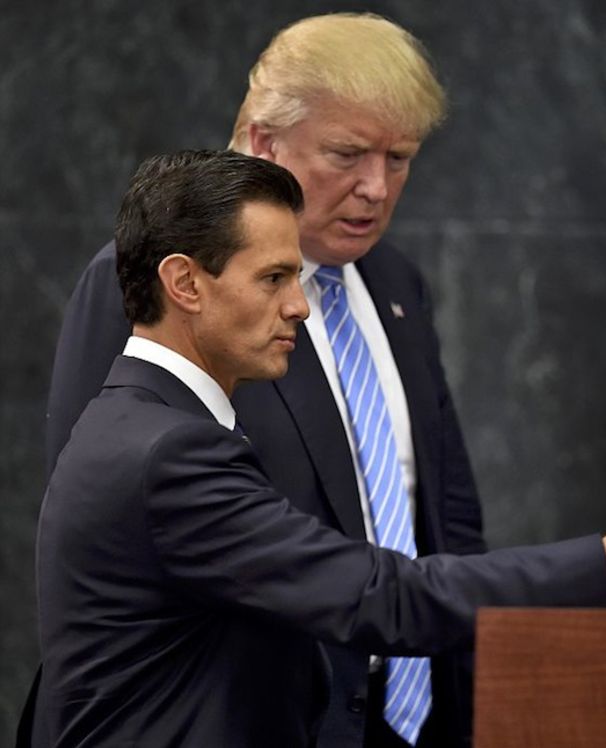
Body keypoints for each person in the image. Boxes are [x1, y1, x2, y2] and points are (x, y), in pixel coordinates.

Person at [35, 149, 606, 747]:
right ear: (184, 284)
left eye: (296, 276)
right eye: (273, 278)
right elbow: (382, 598)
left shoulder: (142, 422)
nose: (298, 305)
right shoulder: (171, 454)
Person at [49, 13, 493, 747]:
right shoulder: (151, 284)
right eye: (348, 154)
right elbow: (97, 516)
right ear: (262, 140)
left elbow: (443, 507)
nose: (376, 188)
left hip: (416, 716)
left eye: (400, 158)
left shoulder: (396, 282)